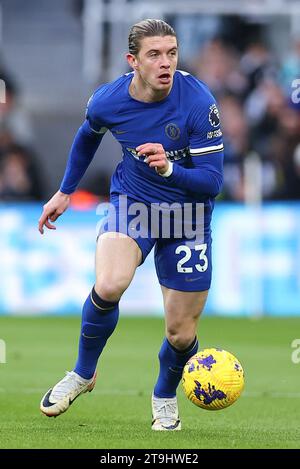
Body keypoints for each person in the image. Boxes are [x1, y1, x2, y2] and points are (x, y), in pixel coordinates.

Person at [38, 19, 224, 431]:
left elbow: (212, 182)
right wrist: (66, 191)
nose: (166, 63)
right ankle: (83, 373)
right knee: (109, 284)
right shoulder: (108, 100)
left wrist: (170, 169)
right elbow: (88, 135)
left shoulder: (198, 102)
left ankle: (163, 396)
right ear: (132, 61)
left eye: (172, 53)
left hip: (188, 215)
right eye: (155, 55)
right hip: (134, 203)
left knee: (180, 335)